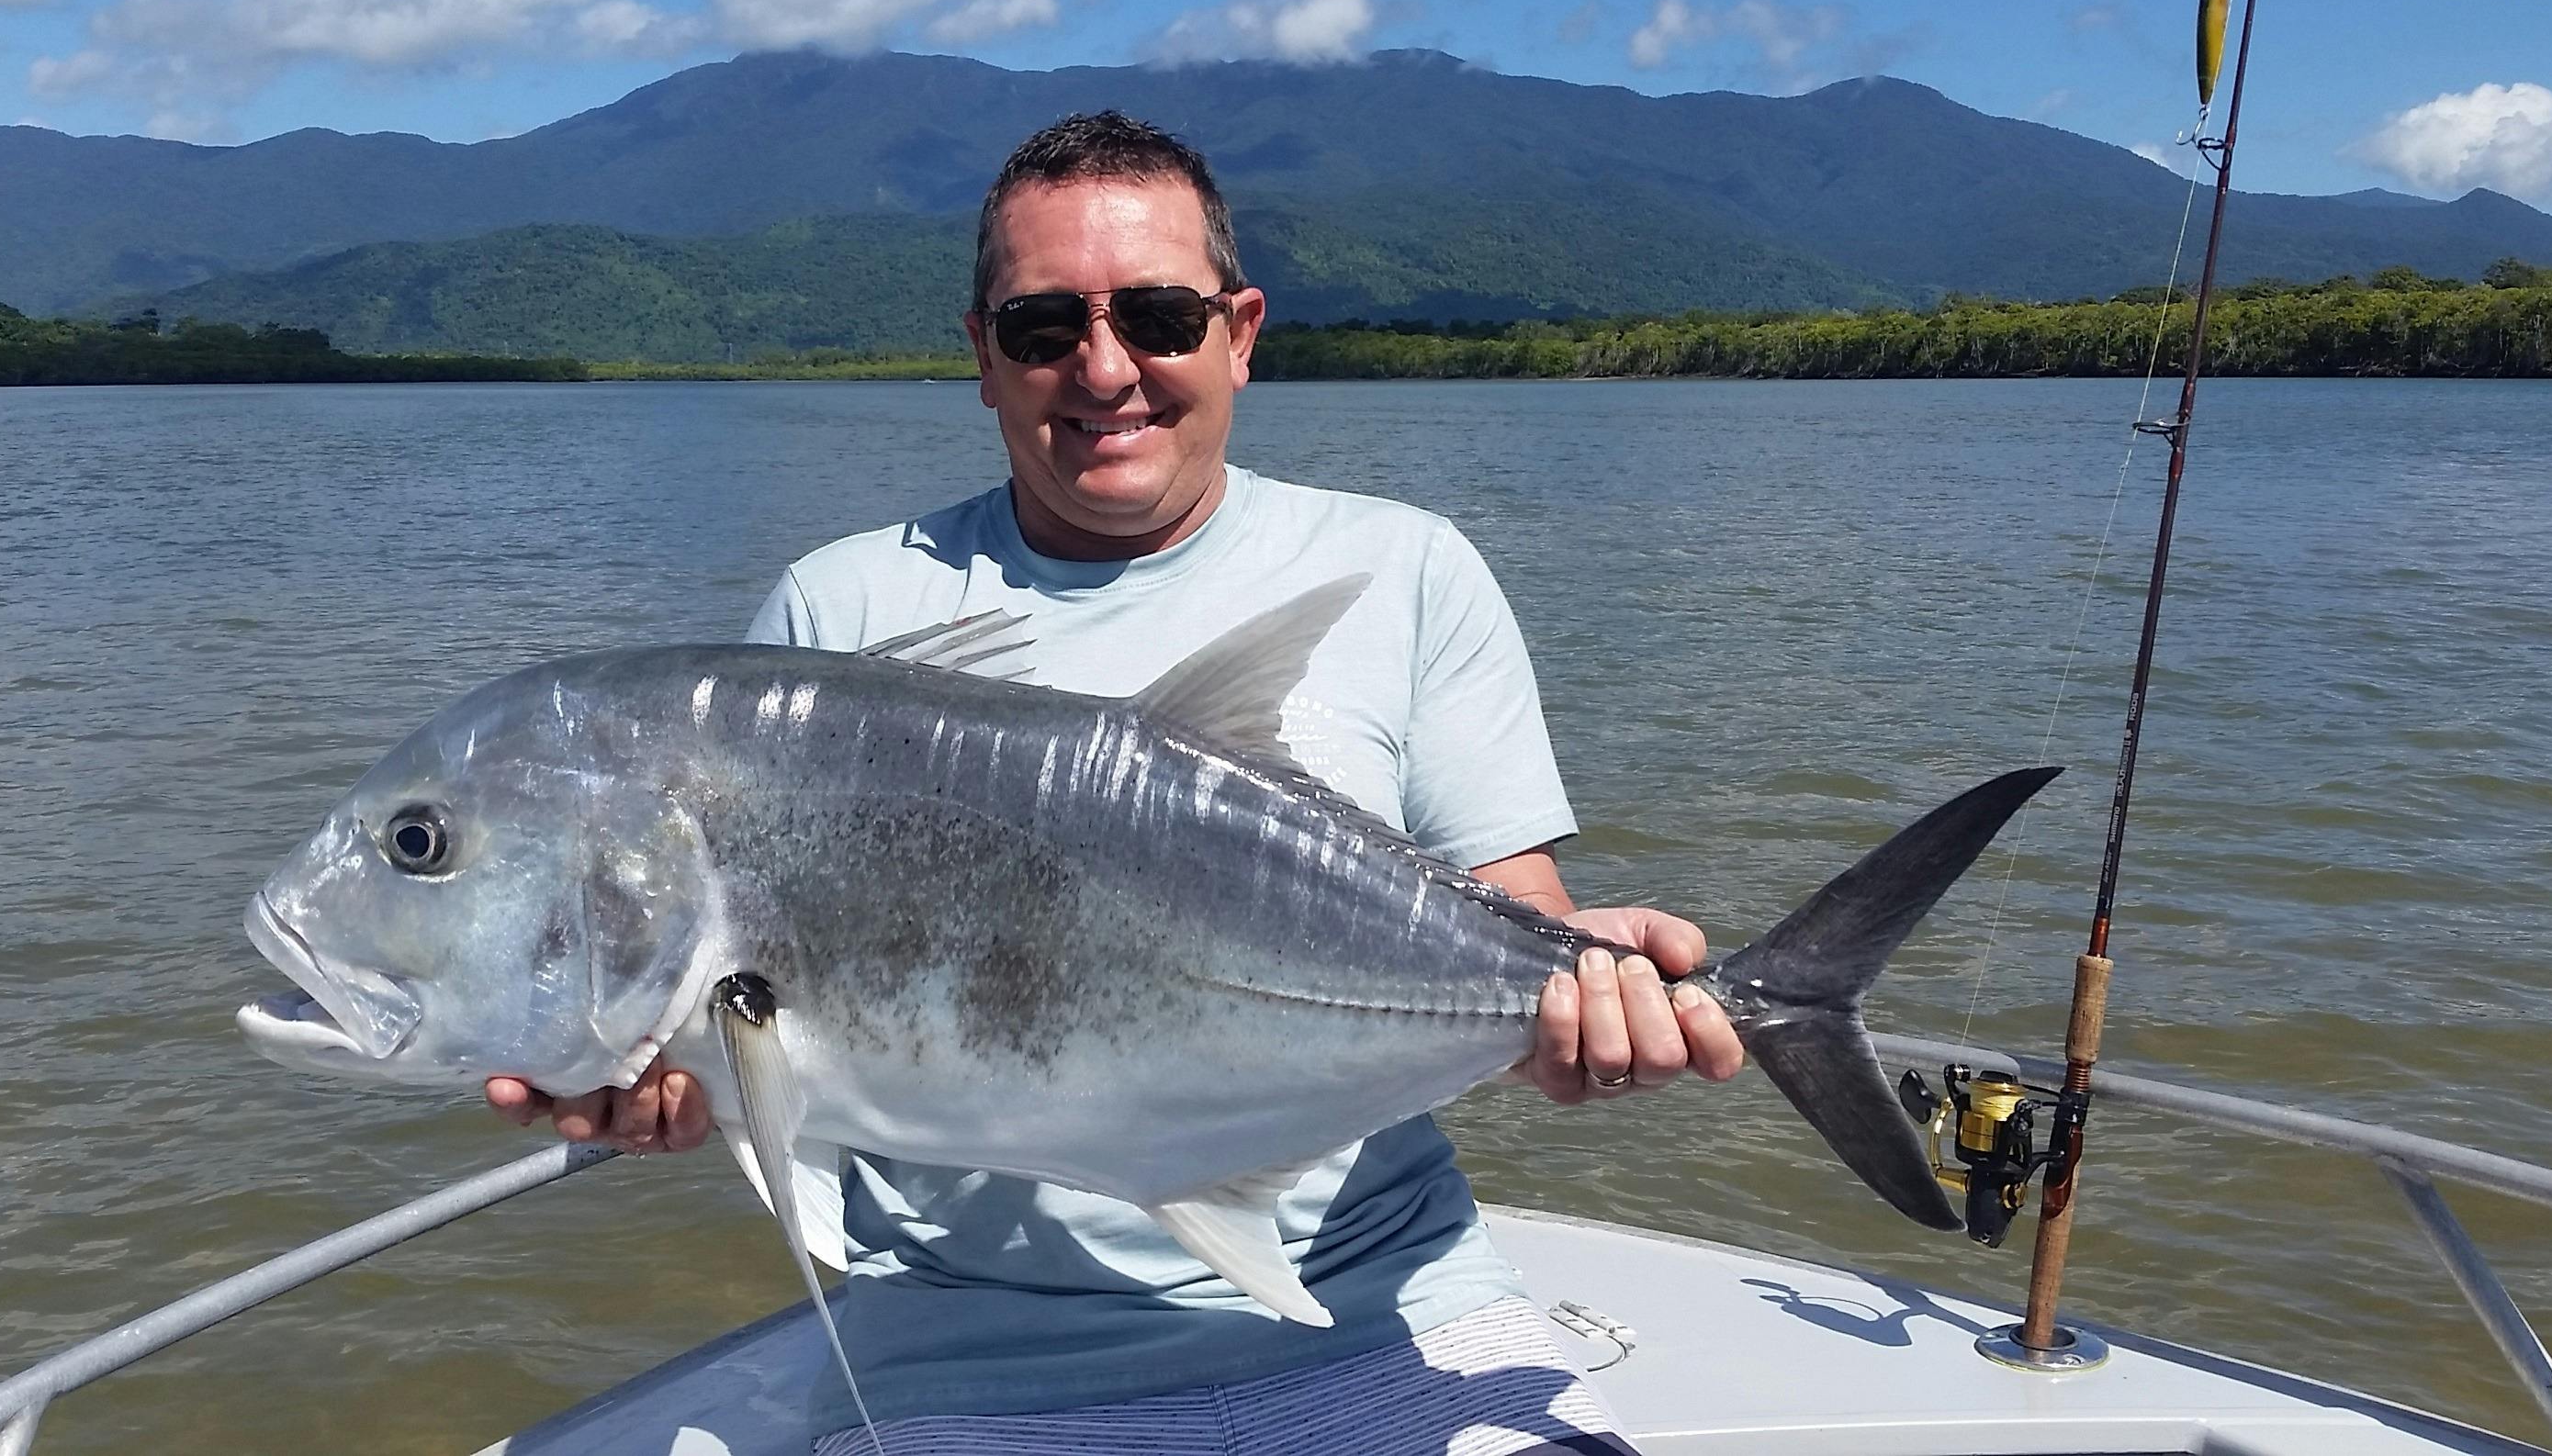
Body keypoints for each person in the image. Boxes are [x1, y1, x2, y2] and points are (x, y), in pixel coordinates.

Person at [487, 112, 1745, 1454]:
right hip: (970, 1356)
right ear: (982, 356)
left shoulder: (1407, 568)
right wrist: (664, 1074)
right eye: (1042, 327)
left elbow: (1513, 911)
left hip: (1389, 1303)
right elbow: (757, 1000)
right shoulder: (838, 615)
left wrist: (1583, 1007)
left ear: (1240, 333)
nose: (1104, 367)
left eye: (1158, 316)